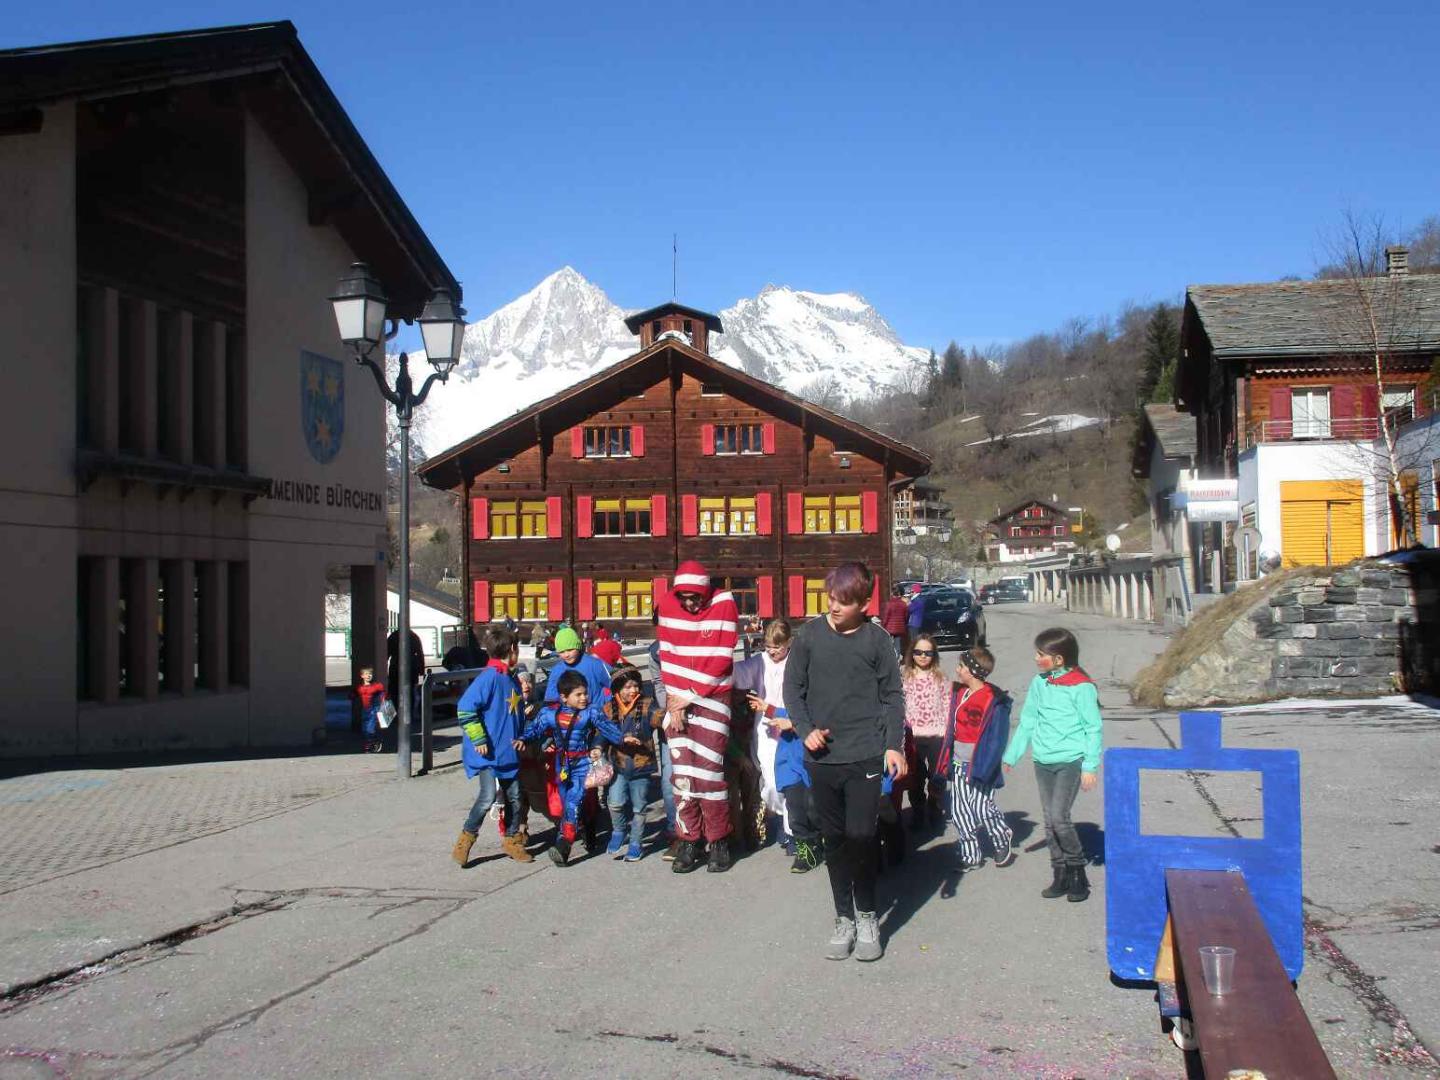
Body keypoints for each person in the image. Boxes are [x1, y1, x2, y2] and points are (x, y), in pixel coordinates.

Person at [784, 561, 906, 962]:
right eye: (831, 598)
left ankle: (868, 915)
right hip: (822, 757)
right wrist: (805, 730)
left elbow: (893, 696)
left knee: (861, 835)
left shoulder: (877, 641)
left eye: (843, 601)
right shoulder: (809, 636)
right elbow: (793, 690)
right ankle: (844, 919)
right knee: (834, 838)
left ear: (864, 604)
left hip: (866, 752)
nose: (834, 607)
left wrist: (894, 745)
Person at [1002, 627, 1103, 903]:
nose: (1036, 658)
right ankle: (1059, 874)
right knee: (1049, 821)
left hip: (1070, 760)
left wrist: (1090, 766)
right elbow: (1028, 721)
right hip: (1042, 760)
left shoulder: (1081, 686)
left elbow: (1093, 728)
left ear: (1059, 659)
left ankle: (1077, 871)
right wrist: (1012, 754)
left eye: (1041, 654)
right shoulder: (1039, 683)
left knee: (1059, 817)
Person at [656, 560, 739, 874]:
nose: (689, 603)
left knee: (709, 773)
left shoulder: (724, 603)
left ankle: (718, 839)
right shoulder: (667, 604)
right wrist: (675, 703)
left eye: (695, 597)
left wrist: (689, 696)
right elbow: (668, 655)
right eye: (684, 597)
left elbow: (721, 658)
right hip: (679, 698)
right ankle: (689, 838)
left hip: (712, 697)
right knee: (682, 774)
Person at [514, 670, 622, 867]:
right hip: (562, 765)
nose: (584, 697)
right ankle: (584, 830)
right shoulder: (549, 714)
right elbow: (534, 729)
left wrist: (625, 739)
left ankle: (564, 844)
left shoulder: (591, 712)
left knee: (573, 801)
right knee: (567, 804)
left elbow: (608, 729)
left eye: (585, 693)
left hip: (583, 763)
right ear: (564, 697)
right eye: (578, 694)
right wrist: (522, 739)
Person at [450, 628, 533, 867]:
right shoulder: (490, 678)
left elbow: (513, 713)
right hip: (489, 752)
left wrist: (522, 731)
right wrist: (479, 740)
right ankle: (465, 841)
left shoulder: (511, 678)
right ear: (512, 650)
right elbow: (466, 708)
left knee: (515, 796)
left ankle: (512, 840)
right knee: (487, 797)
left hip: (508, 751)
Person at [935, 647, 1014, 885]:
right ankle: (971, 855)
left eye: (961, 666)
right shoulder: (960, 693)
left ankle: (1001, 836)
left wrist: (988, 766)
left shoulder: (994, 699)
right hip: (958, 762)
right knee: (959, 811)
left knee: (981, 807)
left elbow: (997, 738)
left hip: (980, 764)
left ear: (973, 671)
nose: (957, 669)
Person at [733, 619, 794, 851]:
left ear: (789, 643)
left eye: (777, 647)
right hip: (766, 729)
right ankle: (780, 817)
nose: (772, 651)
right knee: (770, 781)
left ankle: (790, 830)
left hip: (790, 726)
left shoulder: (796, 662)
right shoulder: (760, 662)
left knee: (789, 780)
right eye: (768, 646)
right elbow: (737, 674)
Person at [600, 664, 664, 862]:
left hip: (641, 766)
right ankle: (619, 830)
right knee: (615, 802)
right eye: (627, 687)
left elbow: (659, 717)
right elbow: (601, 733)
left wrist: (670, 716)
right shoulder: (609, 709)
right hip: (618, 765)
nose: (633, 690)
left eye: (635, 685)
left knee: (639, 807)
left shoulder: (647, 705)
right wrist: (596, 748)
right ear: (617, 689)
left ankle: (636, 842)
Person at [901, 632, 951, 830]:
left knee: (937, 776)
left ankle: (934, 804)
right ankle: (918, 810)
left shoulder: (941, 677)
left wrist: (947, 730)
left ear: (934, 655)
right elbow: (899, 704)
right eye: (918, 652)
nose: (923, 656)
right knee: (915, 778)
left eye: (928, 653)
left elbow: (947, 703)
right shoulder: (904, 676)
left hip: (937, 735)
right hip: (913, 736)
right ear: (911, 653)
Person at [647, 612, 679, 856]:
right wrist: (668, 712)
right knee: (669, 777)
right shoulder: (655, 651)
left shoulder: (693, 644)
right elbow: (659, 683)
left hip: (697, 717)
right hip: (670, 720)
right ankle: (674, 830)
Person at [537, 626, 612, 706]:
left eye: (570, 650)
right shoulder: (557, 670)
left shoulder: (594, 664)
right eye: (562, 652)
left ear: (578, 647)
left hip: (596, 709)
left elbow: (612, 683)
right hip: (568, 712)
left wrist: (607, 700)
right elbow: (552, 698)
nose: (566, 655)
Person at [386, 627, 426, 742]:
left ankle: (390, 717)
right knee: (409, 692)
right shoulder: (413, 636)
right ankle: (408, 716)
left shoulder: (393, 636)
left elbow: (386, 654)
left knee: (393, 692)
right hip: (411, 667)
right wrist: (421, 669)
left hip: (396, 666)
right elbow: (420, 653)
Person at [353, 666, 386, 754]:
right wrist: (352, 696)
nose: (368, 676)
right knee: (364, 728)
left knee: (369, 728)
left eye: (370, 674)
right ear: (362, 676)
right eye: (366, 674)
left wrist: (383, 703)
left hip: (374, 709)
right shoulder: (360, 687)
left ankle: (369, 744)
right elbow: (354, 694)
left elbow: (383, 694)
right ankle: (374, 740)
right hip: (365, 709)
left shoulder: (377, 686)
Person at [879, 585, 910, 659]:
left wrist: (882, 625)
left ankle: (889, 658)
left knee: (888, 644)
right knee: (897, 644)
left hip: (889, 628)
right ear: (899, 594)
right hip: (899, 628)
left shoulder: (889, 604)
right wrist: (904, 624)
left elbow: (886, 617)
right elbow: (906, 616)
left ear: (892, 594)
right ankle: (897, 659)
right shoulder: (903, 604)